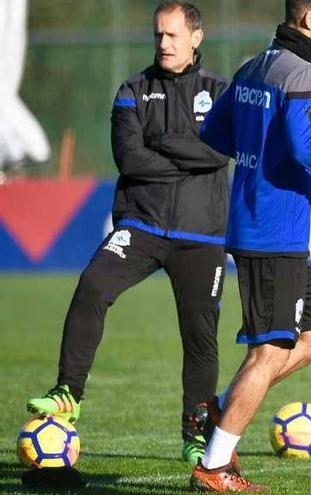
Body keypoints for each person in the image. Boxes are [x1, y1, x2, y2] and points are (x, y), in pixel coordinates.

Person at [191, 0, 311, 490]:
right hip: (272, 232)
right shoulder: (302, 71)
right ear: (310, 19)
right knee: (269, 352)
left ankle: (221, 406)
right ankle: (214, 465)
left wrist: (257, 153)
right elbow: (307, 149)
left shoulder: (254, 65)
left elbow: (214, 131)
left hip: (265, 227)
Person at [26, 1, 230, 466]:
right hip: (139, 225)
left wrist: (165, 146)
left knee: (200, 338)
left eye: (173, 35)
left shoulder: (221, 92)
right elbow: (130, 159)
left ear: (196, 37)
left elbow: (221, 154)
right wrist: (189, 160)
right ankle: (68, 392)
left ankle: (195, 435)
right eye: (159, 34)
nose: (163, 43)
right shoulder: (132, 90)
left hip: (201, 236)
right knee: (93, 285)